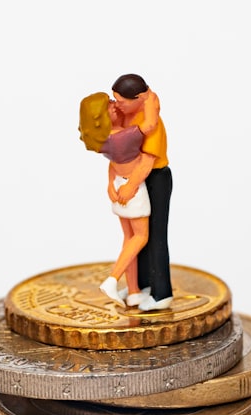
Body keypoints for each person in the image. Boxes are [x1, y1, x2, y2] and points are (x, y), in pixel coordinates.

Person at [79, 92, 155, 307]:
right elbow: (149, 125)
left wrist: (110, 183)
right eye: (110, 105)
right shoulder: (124, 136)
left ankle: (133, 291)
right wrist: (149, 99)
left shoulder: (104, 140)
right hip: (132, 189)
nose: (115, 105)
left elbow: (114, 164)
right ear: (101, 116)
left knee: (128, 239)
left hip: (118, 187)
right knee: (141, 237)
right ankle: (112, 279)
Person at [109, 74, 172, 311]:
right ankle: (143, 285)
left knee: (155, 236)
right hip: (133, 180)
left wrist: (130, 185)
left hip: (155, 178)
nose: (116, 105)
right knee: (139, 238)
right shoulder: (128, 115)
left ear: (138, 98)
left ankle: (161, 293)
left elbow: (146, 162)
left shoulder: (152, 123)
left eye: (121, 101)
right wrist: (113, 181)